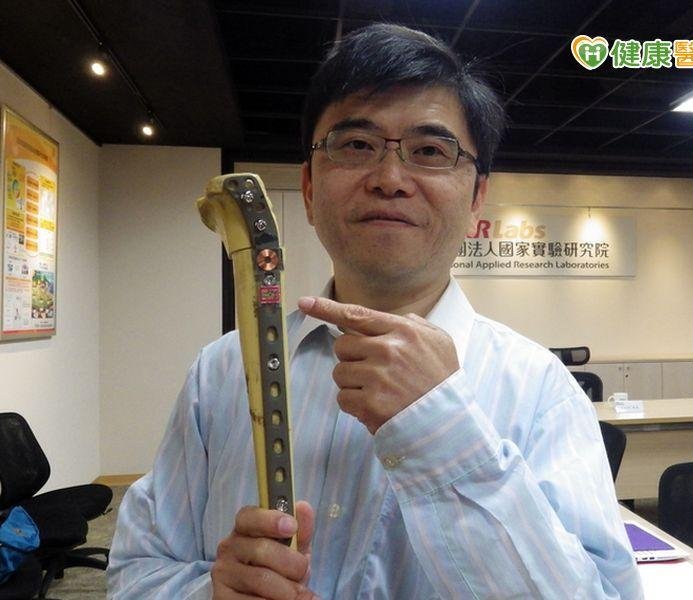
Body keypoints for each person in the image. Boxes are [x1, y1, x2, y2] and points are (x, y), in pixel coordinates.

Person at [108, 24, 643, 599]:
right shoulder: (220, 373)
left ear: (476, 199)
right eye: (357, 145)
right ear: (309, 188)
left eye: (430, 151)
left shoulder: (541, 391)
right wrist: (210, 594)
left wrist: (442, 428)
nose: (390, 180)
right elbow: (138, 571)